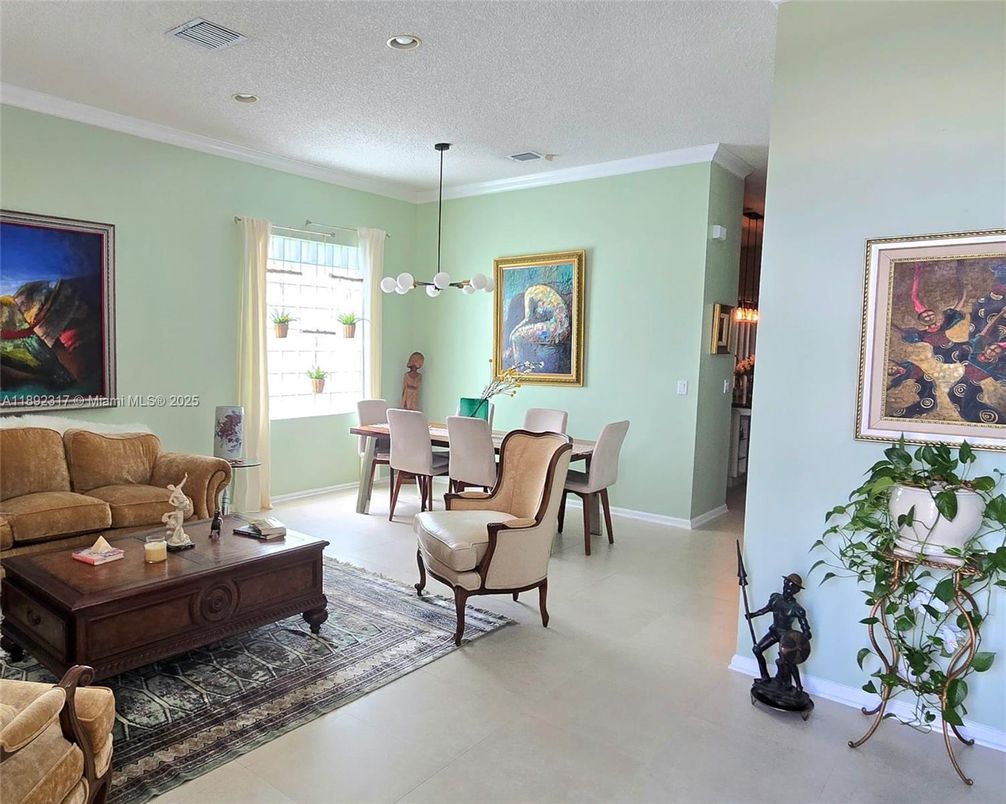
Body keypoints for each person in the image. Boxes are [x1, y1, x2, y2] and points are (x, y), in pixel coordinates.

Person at [746, 573, 812, 682]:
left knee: (788, 661)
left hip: (786, 638)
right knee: (757, 649)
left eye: (790, 588)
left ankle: (798, 686)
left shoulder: (797, 609)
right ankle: (765, 677)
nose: (786, 589)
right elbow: (765, 609)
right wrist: (752, 615)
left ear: (796, 591)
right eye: (786, 585)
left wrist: (797, 643)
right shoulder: (775, 598)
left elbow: (807, 632)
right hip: (774, 632)